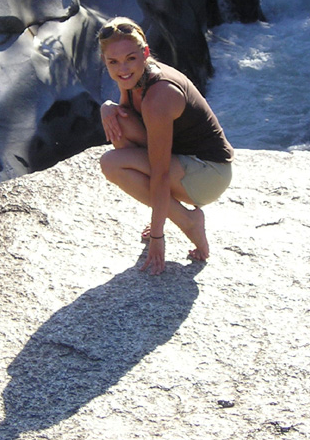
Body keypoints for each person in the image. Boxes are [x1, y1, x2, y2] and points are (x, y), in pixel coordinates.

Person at [97, 17, 234, 275]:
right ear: (105, 60)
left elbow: (159, 173)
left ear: (145, 53)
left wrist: (157, 236)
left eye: (130, 58)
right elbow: (126, 118)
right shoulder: (133, 78)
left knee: (111, 164)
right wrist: (107, 107)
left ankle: (188, 221)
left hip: (209, 174)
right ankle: (172, 211)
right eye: (113, 62)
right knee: (118, 122)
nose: (122, 68)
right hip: (183, 161)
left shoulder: (159, 96)